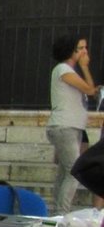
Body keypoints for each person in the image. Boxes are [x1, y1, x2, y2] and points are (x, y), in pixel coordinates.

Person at [47, 34, 94, 215]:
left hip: (72, 127)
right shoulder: (63, 69)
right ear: (71, 51)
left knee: (64, 173)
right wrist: (84, 66)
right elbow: (89, 89)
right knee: (74, 171)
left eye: (85, 48)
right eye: (80, 48)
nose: (84, 52)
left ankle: (59, 212)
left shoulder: (69, 71)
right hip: (64, 127)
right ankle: (62, 213)